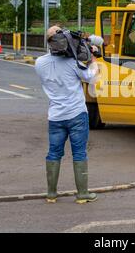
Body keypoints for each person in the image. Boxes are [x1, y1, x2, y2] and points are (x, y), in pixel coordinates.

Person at [35, 26, 99, 204]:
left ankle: (51, 194)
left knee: (54, 153)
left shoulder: (39, 63)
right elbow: (91, 77)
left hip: (55, 116)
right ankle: (82, 194)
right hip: (77, 114)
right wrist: (92, 57)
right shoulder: (72, 63)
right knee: (79, 152)